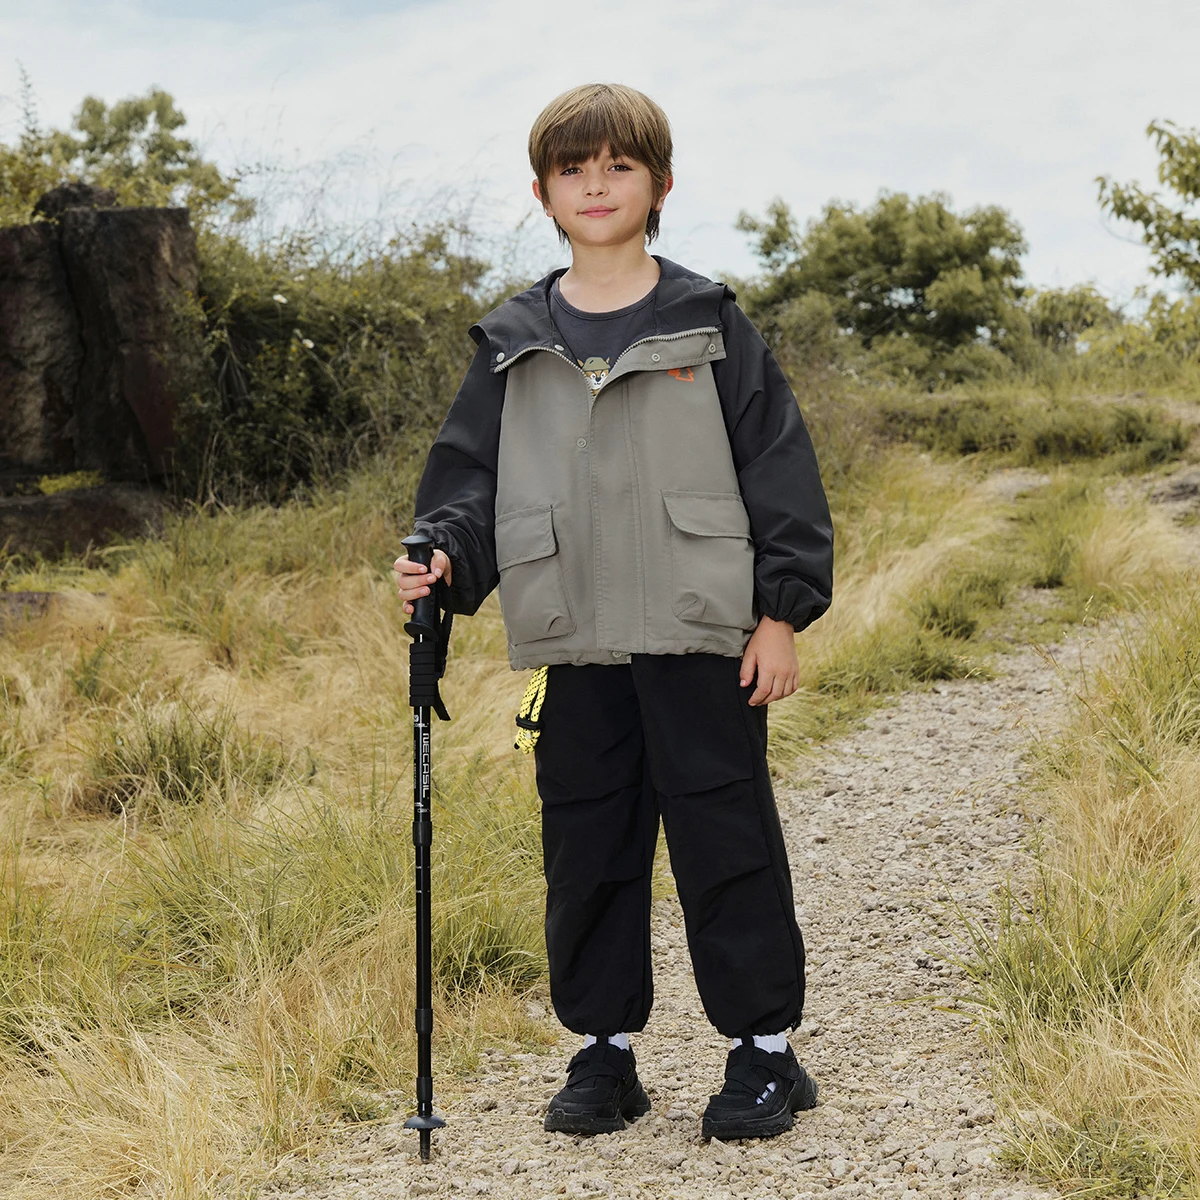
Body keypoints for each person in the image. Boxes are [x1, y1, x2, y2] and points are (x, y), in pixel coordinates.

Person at [394, 82, 833, 1143]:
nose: (597, 183)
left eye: (620, 166)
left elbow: (779, 474)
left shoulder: (710, 324)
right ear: (542, 191)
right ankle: (605, 1055)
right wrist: (443, 556)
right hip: (575, 636)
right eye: (574, 168)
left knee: (725, 838)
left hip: (702, 631)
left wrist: (780, 613)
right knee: (587, 846)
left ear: (660, 186)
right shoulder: (512, 341)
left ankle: (765, 1055)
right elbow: (469, 482)